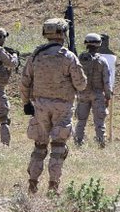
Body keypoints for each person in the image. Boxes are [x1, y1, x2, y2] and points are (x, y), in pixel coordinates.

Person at [21, 18, 87, 195]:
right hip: (63, 107)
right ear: (63, 34)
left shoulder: (36, 55)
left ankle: (32, 184)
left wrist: (26, 103)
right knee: (58, 148)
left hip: (40, 106)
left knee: (39, 146)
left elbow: (25, 81)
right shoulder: (68, 56)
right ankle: (53, 187)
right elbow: (81, 84)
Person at [74, 33, 113, 148]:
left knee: (81, 121)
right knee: (99, 122)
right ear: (99, 44)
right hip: (97, 94)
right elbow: (106, 80)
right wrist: (108, 95)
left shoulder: (80, 59)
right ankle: (101, 143)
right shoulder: (102, 61)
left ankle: (78, 142)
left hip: (83, 94)